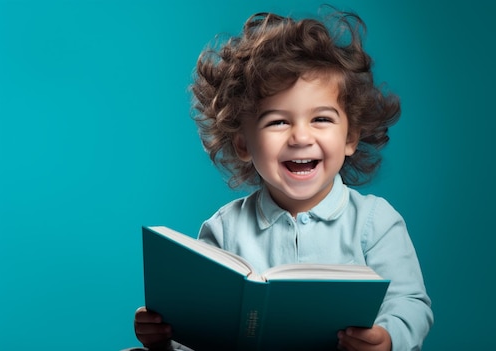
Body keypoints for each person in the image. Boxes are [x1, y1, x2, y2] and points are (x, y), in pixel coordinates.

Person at [132, 8, 433, 351]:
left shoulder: (376, 223)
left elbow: (409, 303)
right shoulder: (224, 230)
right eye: (277, 122)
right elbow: (202, 331)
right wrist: (165, 337)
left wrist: (387, 339)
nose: (300, 137)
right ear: (244, 144)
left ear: (351, 137)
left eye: (321, 118)